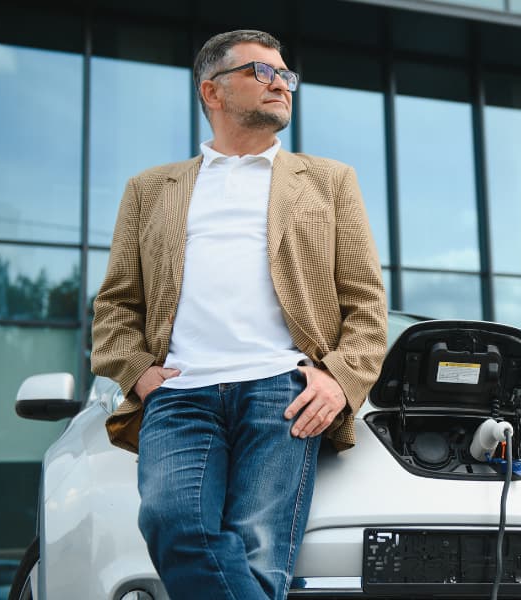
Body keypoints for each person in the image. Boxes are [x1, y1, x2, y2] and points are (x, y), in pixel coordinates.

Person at [90, 29, 387, 600]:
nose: (281, 85)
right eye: (262, 73)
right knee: (174, 525)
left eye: (286, 76)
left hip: (284, 393)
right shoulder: (150, 190)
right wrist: (140, 375)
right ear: (213, 91)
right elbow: (115, 305)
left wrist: (341, 381)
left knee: (258, 559)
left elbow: (366, 301)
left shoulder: (328, 182)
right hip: (179, 393)